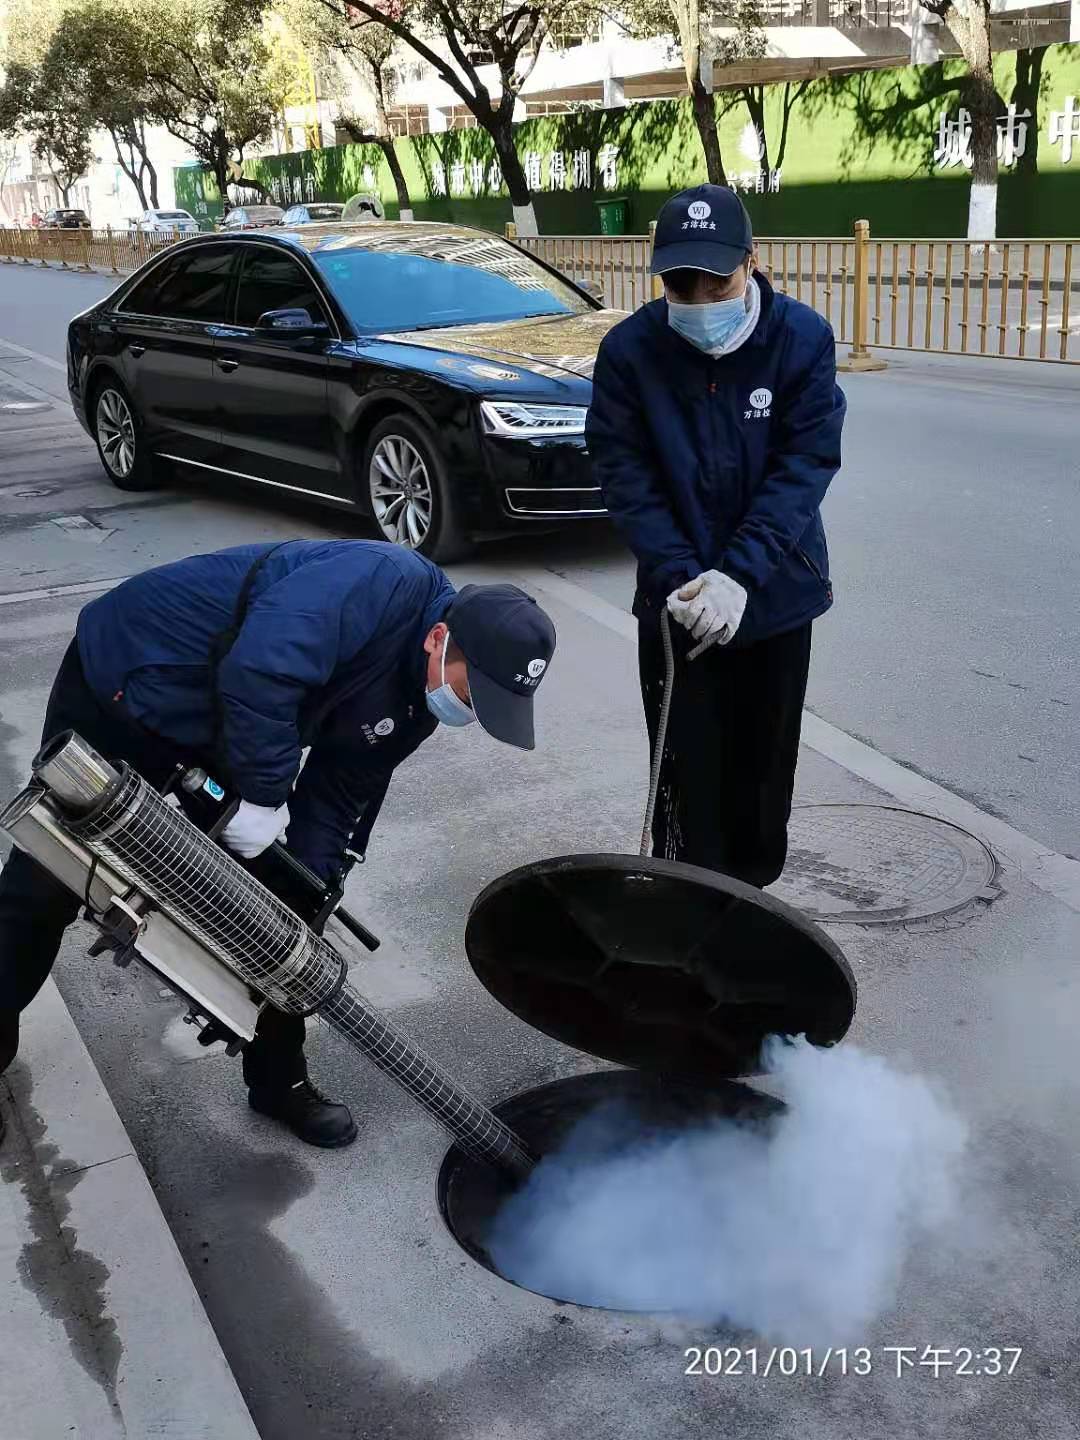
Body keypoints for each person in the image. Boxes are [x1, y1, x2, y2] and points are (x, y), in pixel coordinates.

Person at [0, 540, 556, 1147]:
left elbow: (342, 790)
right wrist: (265, 796)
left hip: (227, 723)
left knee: (286, 921)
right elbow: (260, 670)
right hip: (138, 675)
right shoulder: (374, 582)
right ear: (438, 639)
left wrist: (306, 885)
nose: (469, 710)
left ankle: (277, 1081)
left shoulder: (417, 703)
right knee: (43, 887)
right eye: (473, 691)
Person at [586, 184, 845, 890]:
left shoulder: (801, 340)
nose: (699, 300)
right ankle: (690, 919)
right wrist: (680, 576)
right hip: (675, 612)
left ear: (752, 261)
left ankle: (751, 912)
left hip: (773, 600)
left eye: (717, 280)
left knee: (762, 783)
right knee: (686, 782)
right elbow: (624, 472)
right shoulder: (630, 352)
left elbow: (804, 465)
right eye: (680, 283)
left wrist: (739, 577)